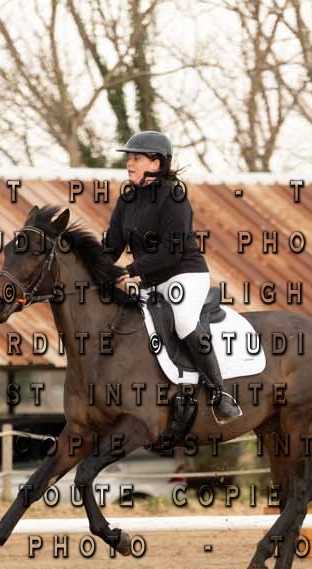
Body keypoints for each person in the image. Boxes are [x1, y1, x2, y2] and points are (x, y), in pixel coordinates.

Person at [103, 130, 242, 424]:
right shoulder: (127, 199)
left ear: (156, 163)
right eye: (129, 158)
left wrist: (131, 271)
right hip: (151, 281)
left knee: (183, 321)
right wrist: (94, 268)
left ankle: (220, 395)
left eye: (136, 158)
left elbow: (171, 250)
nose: (129, 163)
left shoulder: (174, 197)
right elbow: (112, 246)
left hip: (185, 275)